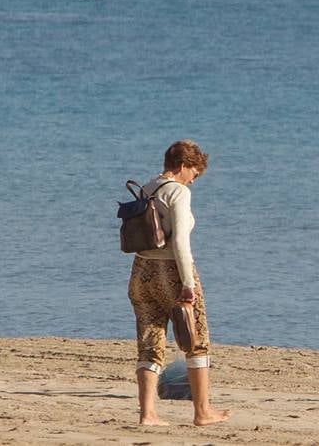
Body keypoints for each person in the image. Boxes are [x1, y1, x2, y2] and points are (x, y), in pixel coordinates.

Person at [128, 140, 229, 427]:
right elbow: (181, 243)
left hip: (141, 270)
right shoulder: (178, 192)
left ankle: (147, 414)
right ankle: (202, 411)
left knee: (149, 340)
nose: (193, 181)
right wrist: (187, 283)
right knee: (196, 339)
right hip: (171, 270)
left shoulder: (147, 187)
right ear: (183, 166)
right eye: (194, 173)